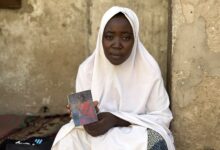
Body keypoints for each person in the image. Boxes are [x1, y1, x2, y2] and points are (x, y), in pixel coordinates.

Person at [51, 6, 175, 150]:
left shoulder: (149, 69)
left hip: (135, 133)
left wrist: (116, 119)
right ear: (101, 38)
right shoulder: (86, 69)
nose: (117, 45)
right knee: (67, 139)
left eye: (126, 37)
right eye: (109, 37)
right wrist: (87, 118)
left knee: (156, 142)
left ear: (135, 39)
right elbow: (86, 123)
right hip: (96, 136)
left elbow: (162, 118)